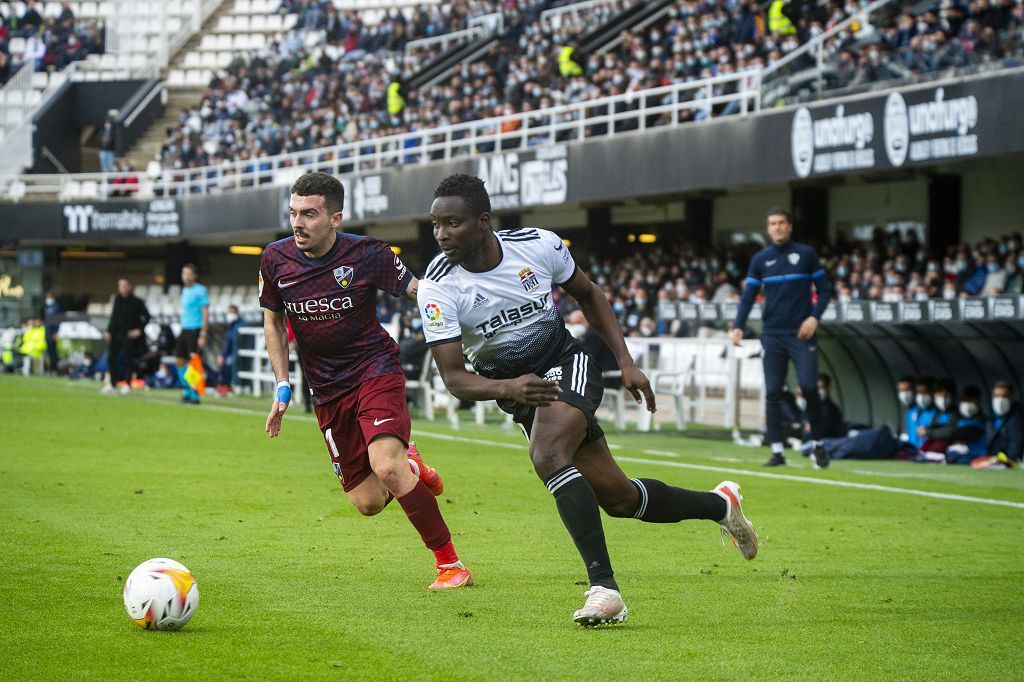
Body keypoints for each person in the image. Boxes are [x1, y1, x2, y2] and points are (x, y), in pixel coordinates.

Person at [417, 174, 756, 627]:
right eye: (436, 224)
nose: (441, 235)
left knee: (548, 453)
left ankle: (605, 589)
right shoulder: (438, 287)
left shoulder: (538, 246)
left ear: (483, 221)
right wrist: (509, 389)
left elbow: (589, 294)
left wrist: (626, 360)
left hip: (566, 361)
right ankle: (722, 505)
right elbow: (455, 378)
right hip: (520, 393)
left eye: (452, 223)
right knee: (619, 499)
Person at [259, 171, 471, 591]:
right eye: (293, 213)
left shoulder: (370, 254)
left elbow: (416, 290)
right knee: (369, 502)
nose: (298, 223)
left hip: (375, 369)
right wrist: (282, 384)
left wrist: (467, 306)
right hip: (326, 389)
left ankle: (450, 564)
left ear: (336, 218)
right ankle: (413, 465)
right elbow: (273, 316)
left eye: (310, 214)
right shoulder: (275, 258)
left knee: (386, 468)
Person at [732, 208, 832, 468]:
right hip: (772, 335)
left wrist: (814, 318)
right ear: (768, 229)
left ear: (789, 226)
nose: (777, 227)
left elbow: (825, 290)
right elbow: (748, 296)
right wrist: (738, 325)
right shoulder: (760, 259)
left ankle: (819, 445)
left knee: (810, 387)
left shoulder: (806, 255)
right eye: (772, 224)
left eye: (781, 223)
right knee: (773, 393)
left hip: (801, 333)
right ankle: (777, 450)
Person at [103, 278, 150, 394]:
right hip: (115, 334)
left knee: (127, 360)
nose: (122, 288)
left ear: (130, 286)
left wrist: (139, 330)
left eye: (124, 285)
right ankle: (112, 384)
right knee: (111, 359)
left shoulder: (137, 302)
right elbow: (113, 317)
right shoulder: (117, 300)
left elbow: (147, 317)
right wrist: (108, 330)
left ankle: (127, 384)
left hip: (128, 335)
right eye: (120, 285)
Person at [174, 264, 209, 404]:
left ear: (194, 276)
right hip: (184, 328)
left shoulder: (200, 290)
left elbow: (205, 312)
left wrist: (203, 333)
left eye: (188, 274)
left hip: (195, 329)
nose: (186, 276)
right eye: (184, 273)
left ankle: (194, 395)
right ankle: (186, 391)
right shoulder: (184, 290)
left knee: (193, 362)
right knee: (179, 360)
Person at [986, 380, 1023, 463]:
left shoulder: (1017, 418)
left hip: (1008, 463)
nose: (1000, 400)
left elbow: (1015, 445)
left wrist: (1006, 459)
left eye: (1004, 396)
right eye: (996, 396)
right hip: (991, 461)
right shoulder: (991, 418)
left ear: (1012, 397)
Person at [216, 304, 242, 396]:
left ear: (237, 313)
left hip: (237, 352)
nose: (230, 314)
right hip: (230, 353)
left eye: (232, 312)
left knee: (228, 362)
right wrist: (222, 354)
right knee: (222, 361)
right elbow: (227, 343)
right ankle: (223, 386)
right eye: (229, 312)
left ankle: (229, 386)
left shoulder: (241, 324)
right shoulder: (229, 326)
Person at [42, 291, 61, 374]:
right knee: (49, 352)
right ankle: (50, 369)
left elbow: (57, 321)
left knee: (54, 352)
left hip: (53, 332)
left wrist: (56, 332)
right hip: (47, 332)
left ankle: (55, 369)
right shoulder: (46, 307)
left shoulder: (56, 307)